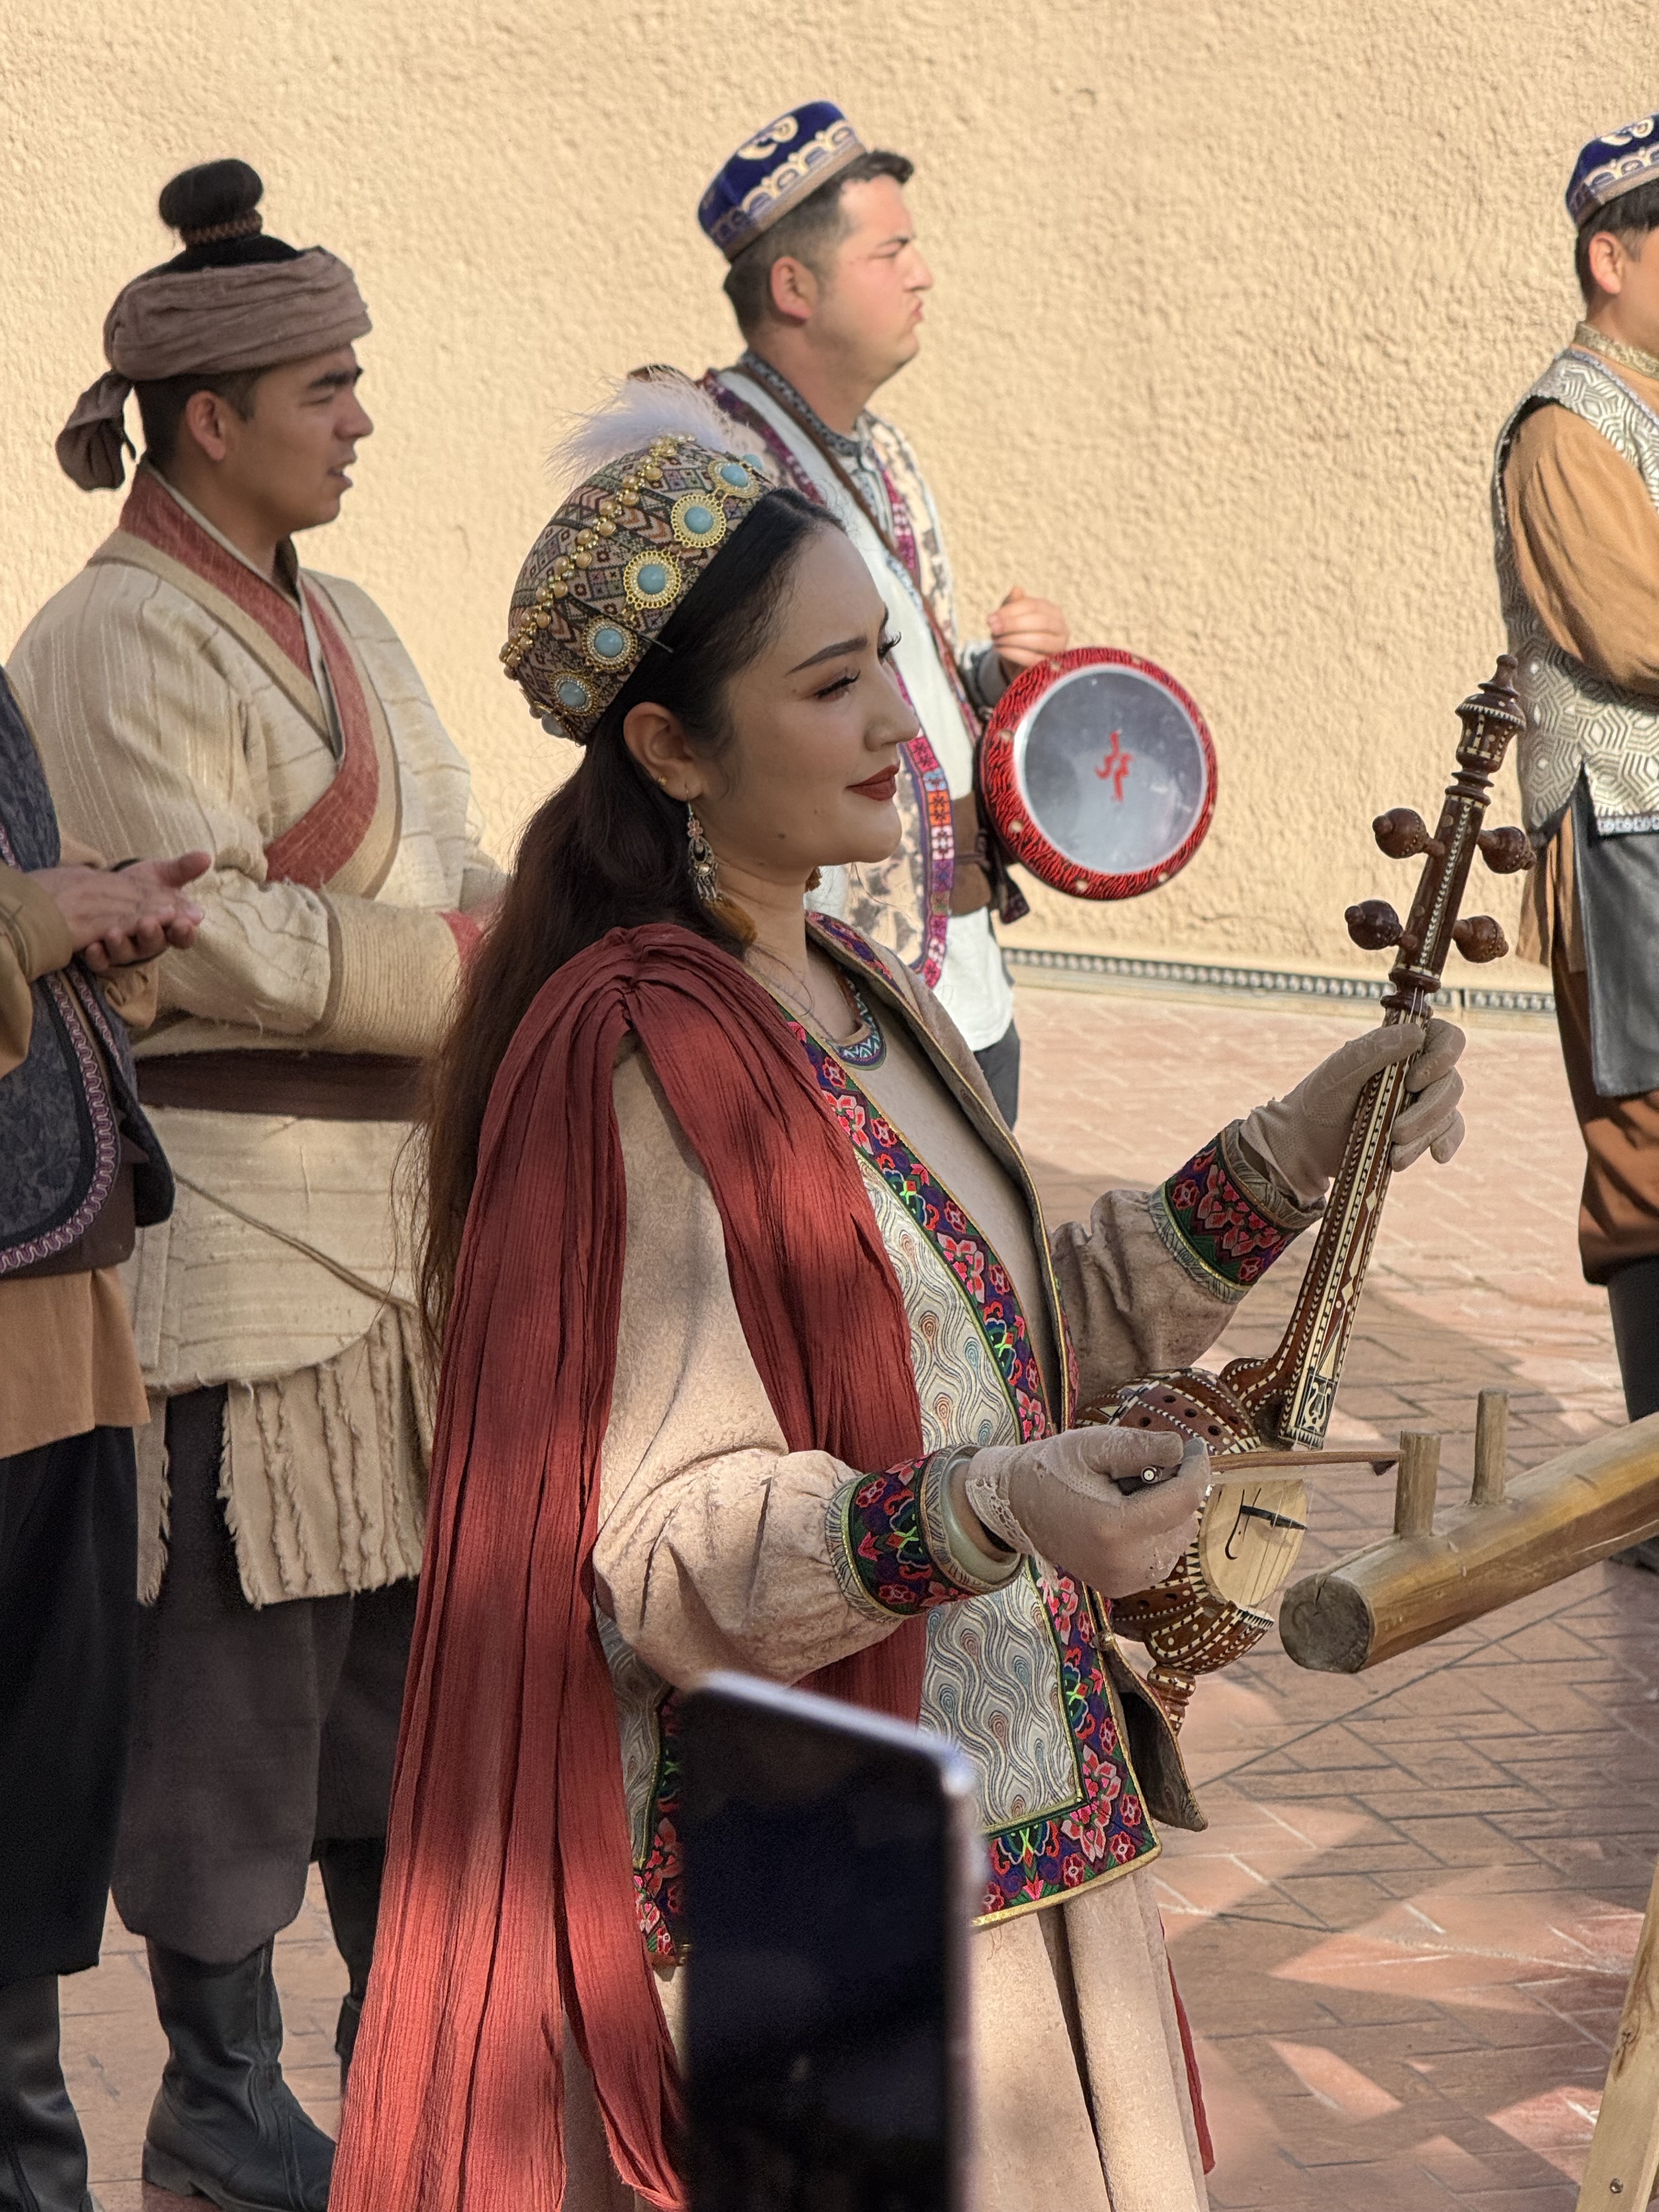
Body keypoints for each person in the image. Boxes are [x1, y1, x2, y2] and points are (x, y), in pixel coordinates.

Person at [329, 378, 1468, 2212]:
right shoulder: (636, 1056)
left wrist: (1300, 1142)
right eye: (826, 683)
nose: (896, 723)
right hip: (834, 1891)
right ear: (671, 749)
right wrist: (985, 1504)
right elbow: (663, 1545)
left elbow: (1024, 1344)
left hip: (1034, 1856)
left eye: (886, 659)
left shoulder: (865, 995)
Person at [8, 160, 503, 2211]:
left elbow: (460, 864)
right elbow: (210, 950)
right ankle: (218, 2096)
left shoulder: (361, 620)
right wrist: (457, 972)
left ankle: (408, 2069)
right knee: (229, 1688)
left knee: (398, 1684)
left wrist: (470, 946)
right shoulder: (109, 639)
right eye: (331, 386)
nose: (363, 417)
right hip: (235, 1250)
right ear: (211, 419)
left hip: (398, 1251)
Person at [695, 101, 1071, 1125]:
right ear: (794, 285)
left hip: (963, 973)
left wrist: (992, 677)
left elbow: (897, 675)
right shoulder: (713, 469)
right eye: (891, 249)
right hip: (828, 980)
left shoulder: (887, 453)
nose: (922, 274)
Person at [1, 664, 205, 2212]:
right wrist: (33, 924)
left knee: (28, 1849)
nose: (355, 421)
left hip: (57, 1326)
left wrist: (100, 935)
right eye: (319, 391)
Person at [1494, 115, 1659, 1535]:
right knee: (1653, 1150)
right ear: (1611, 256)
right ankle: (1653, 1496)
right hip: (1624, 832)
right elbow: (1625, 624)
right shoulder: (1568, 426)